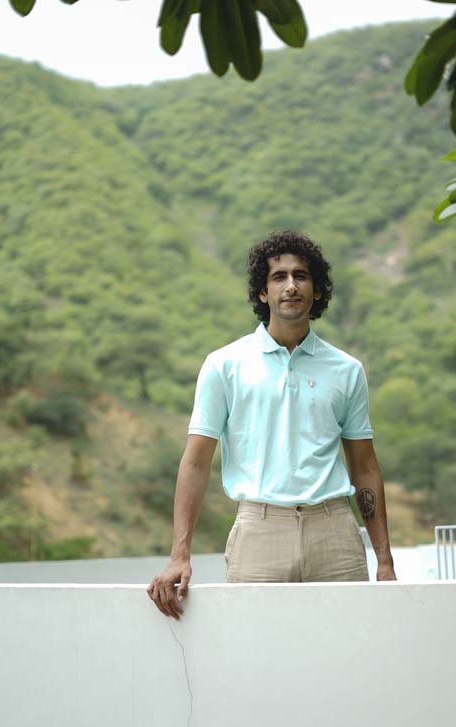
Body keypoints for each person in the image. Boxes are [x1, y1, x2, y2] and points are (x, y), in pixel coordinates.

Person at [147, 230, 396, 620]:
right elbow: (196, 462)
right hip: (258, 533)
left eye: (301, 276)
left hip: (334, 533)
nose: (291, 285)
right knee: (254, 650)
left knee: (349, 647)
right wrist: (180, 555)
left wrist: (385, 560)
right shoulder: (224, 365)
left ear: (317, 289)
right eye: (279, 277)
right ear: (262, 292)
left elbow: (364, 467)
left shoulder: (347, 370)